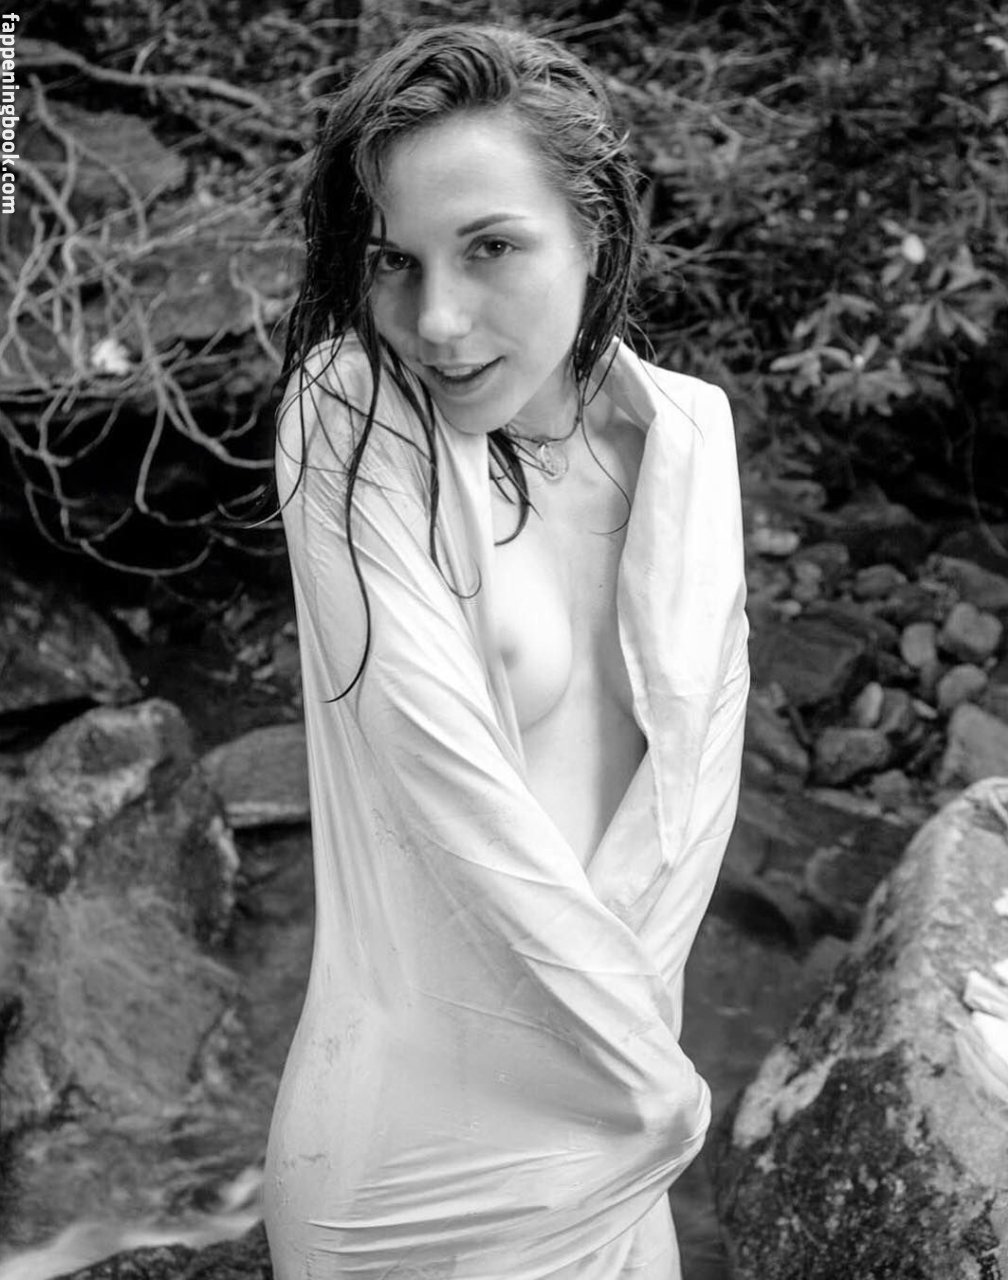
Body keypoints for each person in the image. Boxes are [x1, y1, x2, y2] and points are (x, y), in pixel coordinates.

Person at [263, 22, 749, 1280]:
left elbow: (685, 817)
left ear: (595, 231)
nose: (435, 318)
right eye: (394, 261)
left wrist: (645, 1100)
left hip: (617, 1140)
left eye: (489, 246)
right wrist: (663, 1092)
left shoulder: (691, 442)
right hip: (413, 1166)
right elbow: (456, 810)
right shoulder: (351, 420)